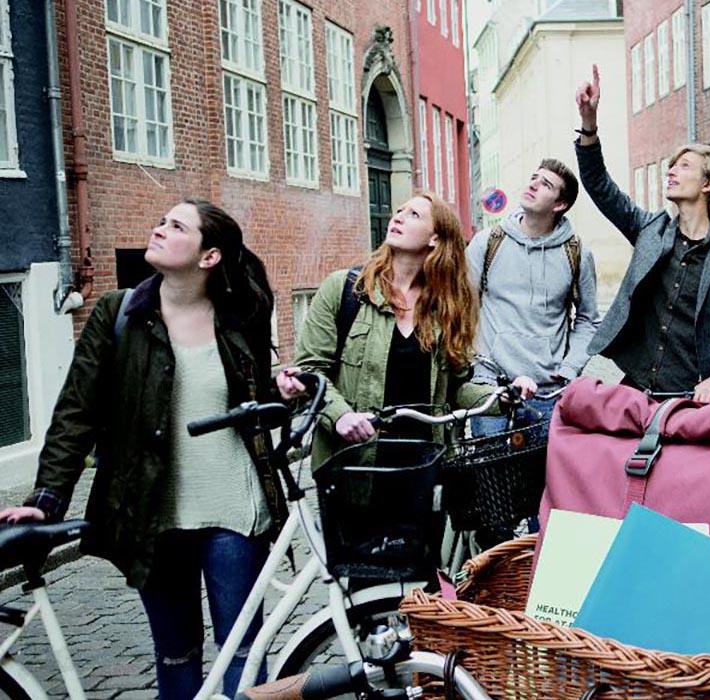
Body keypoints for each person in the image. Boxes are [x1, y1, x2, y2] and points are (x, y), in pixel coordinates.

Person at [0, 200, 282, 699]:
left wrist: (286, 394)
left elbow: (260, 400)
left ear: (209, 256)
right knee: (176, 659)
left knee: (243, 652)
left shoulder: (241, 315)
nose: (159, 229)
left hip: (235, 513)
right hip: (155, 516)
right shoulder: (120, 314)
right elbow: (75, 413)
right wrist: (46, 500)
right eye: (162, 221)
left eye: (176, 226)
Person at [574, 65, 710, 403]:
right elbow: (599, 185)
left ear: (708, 184)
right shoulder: (649, 229)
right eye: (672, 165)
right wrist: (589, 125)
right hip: (637, 388)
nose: (671, 171)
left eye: (684, 166)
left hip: (695, 396)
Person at [278, 192, 499, 468]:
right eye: (399, 210)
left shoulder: (447, 309)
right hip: (353, 465)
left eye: (414, 215)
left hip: (425, 470)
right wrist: (341, 416)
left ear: (436, 239)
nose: (398, 217)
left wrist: (501, 397)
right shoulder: (345, 290)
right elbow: (311, 370)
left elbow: (455, 389)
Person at [466, 157, 600, 438]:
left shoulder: (576, 252)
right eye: (534, 178)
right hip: (493, 387)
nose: (534, 184)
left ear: (559, 205)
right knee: (491, 479)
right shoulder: (488, 242)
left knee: (546, 477)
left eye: (546, 184)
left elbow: (588, 319)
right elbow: (462, 306)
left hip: (548, 392)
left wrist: (569, 368)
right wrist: (474, 363)